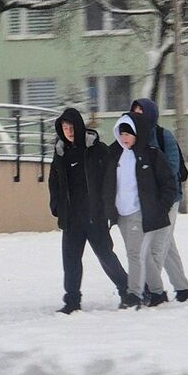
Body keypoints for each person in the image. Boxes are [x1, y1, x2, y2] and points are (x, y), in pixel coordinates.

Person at [49, 107, 130, 313]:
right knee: (70, 260)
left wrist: (107, 207)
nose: (69, 131)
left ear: (79, 125)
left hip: (95, 215)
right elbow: (54, 182)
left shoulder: (96, 149)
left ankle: (127, 290)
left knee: (105, 255)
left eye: (71, 127)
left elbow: (109, 179)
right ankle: (72, 301)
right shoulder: (60, 153)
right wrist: (56, 206)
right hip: (71, 218)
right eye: (65, 128)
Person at [103, 112, 177, 309]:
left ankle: (134, 294)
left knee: (134, 254)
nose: (125, 137)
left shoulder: (151, 154)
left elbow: (169, 184)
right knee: (142, 255)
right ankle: (158, 293)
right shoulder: (115, 155)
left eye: (129, 133)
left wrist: (159, 208)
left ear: (137, 133)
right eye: (122, 133)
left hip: (139, 213)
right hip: (121, 214)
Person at [129, 99, 188, 303]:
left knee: (157, 246)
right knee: (167, 245)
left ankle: (152, 291)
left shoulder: (162, 135)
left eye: (141, 112)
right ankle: (182, 288)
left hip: (168, 199)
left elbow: (172, 166)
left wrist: (152, 185)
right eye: (134, 112)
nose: (138, 115)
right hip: (146, 202)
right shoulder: (133, 138)